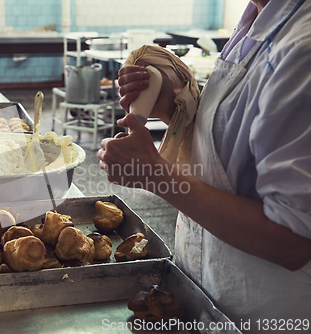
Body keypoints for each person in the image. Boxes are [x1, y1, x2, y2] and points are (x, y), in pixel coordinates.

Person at [98, 0, 311, 331]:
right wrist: (174, 106)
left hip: (263, 313)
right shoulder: (255, 20)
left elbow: (293, 241)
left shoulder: (302, 49)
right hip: (208, 292)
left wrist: (157, 175)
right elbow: (230, 156)